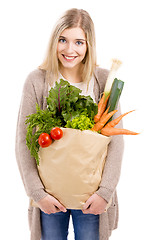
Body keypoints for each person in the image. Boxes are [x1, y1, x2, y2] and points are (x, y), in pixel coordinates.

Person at [15, 8, 124, 240]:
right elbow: (23, 142)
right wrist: (37, 193)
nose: (69, 49)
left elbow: (115, 143)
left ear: (88, 45)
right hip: (49, 197)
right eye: (63, 40)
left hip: (91, 198)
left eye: (78, 42)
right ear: (54, 40)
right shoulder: (37, 81)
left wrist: (105, 193)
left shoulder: (104, 81)